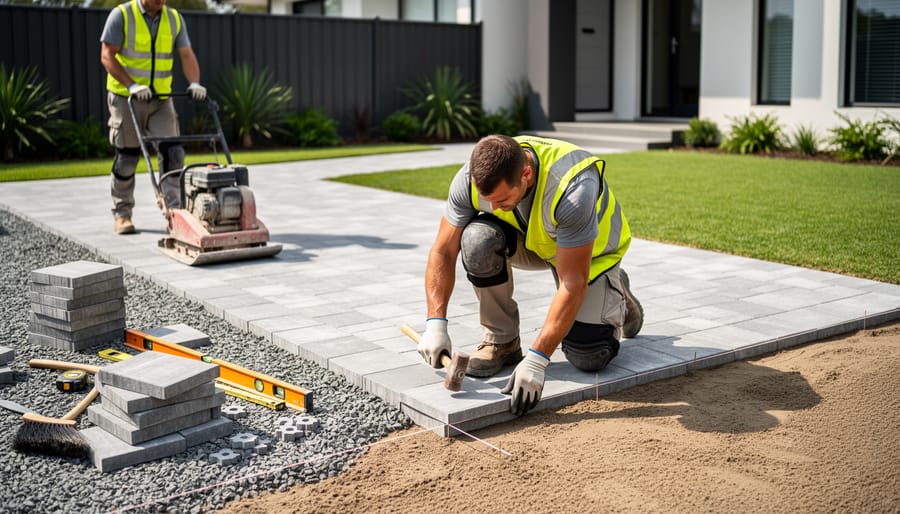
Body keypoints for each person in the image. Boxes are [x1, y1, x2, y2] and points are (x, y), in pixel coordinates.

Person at [418, 134, 643, 416]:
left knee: (589, 356)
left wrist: (538, 359)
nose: (495, 208)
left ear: (526, 173)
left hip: (592, 255)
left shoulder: (573, 187)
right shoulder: (471, 177)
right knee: (476, 239)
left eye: (501, 200)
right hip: (535, 241)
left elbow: (572, 283)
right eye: (489, 202)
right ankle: (502, 342)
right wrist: (435, 323)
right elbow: (442, 252)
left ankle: (617, 291)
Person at [100, 0, 207, 234]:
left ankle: (174, 214)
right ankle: (122, 213)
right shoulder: (121, 15)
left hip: (160, 99)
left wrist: (195, 82)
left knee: (173, 153)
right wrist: (131, 85)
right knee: (127, 157)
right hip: (125, 97)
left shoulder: (174, 18)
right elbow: (107, 55)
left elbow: (186, 54)